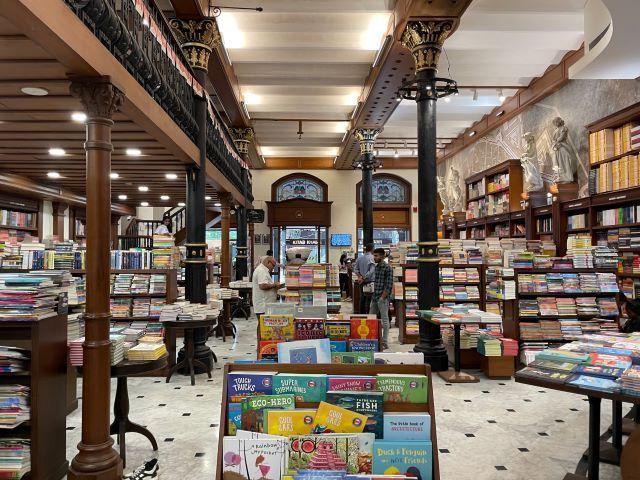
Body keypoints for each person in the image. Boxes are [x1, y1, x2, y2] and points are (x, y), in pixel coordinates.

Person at [370, 248, 393, 350]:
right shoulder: (377, 267)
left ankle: (384, 342)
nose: (374, 258)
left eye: (376, 256)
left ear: (383, 256)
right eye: (374, 255)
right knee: (371, 318)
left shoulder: (388, 268)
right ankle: (371, 338)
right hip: (375, 297)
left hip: (382, 298)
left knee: (384, 320)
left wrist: (382, 298)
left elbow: (388, 285)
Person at [353, 243, 375, 313]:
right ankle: (368, 315)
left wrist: (360, 276)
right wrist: (364, 278)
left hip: (361, 282)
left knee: (362, 298)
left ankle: (361, 314)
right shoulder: (372, 258)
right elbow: (371, 271)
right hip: (370, 281)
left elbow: (355, 269)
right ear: (372, 249)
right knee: (369, 299)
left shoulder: (360, 258)